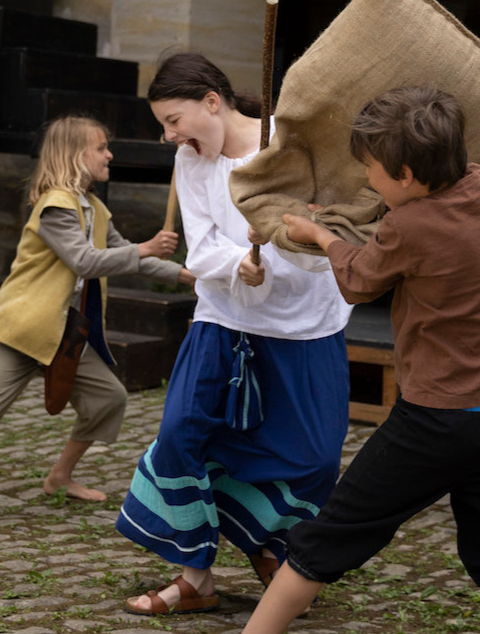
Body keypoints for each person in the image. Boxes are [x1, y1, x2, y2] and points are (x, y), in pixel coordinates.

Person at [244, 86, 480, 634]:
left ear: (408, 175)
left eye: (371, 169)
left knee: (329, 536)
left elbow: (361, 279)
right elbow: (400, 222)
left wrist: (318, 231)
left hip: (432, 423)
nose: (368, 180)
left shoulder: (407, 227)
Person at [117, 52, 352, 615]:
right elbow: (200, 245)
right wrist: (236, 266)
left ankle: (273, 548)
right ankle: (195, 576)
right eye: (164, 124)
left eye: (174, 119)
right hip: (224, 320)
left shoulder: (293, 148)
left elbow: (335, 233)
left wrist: (293, 238)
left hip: (306, 324)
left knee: (315, 457)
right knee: (181, 436)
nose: (168, 134)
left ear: (212, 102)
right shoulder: (191, 161)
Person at [0, 115, 194, 530]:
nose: (109, 155)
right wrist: (145, 247)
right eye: (101, 148)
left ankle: (59, 476)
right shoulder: (55, 206)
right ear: (74, 155)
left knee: (108, 399)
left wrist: (189, 275)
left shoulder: (96, 209)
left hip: (66, 332)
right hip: (26, 328)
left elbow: (125, 255)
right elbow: (85, 260)